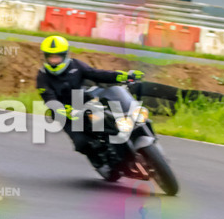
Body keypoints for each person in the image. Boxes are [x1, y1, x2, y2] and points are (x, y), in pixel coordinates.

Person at [36, 35, 143, 169]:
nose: (54, 60)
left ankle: (120, 144)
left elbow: (96, 74)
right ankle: (99, 161)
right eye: (51, 57)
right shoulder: (43, 76)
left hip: (83, 102)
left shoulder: (76, 65)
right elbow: (48, 97)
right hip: (64, 113)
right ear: (45, 57)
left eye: (57, 57)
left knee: (108, 120)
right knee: (81, 142)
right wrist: (61, 109)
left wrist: (122, 76)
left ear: (65, 55)